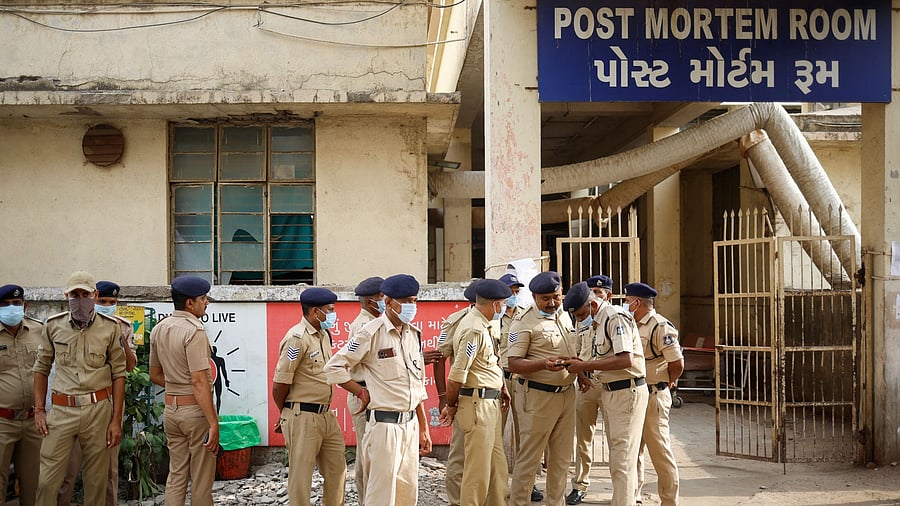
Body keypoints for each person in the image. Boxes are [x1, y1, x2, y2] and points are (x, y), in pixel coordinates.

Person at [324, 274, 432, 505]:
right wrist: (360, 391)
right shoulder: (370, 332)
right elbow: (333, 367)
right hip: (384, 427)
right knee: (381, 497)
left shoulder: (414, 335)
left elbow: (417, 385)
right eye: (405, 301)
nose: (411, 306)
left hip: (410, 425)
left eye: (414, 300)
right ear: (389, 302)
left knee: (406, 493)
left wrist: (423, 427)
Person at [32, 271, 127, 506]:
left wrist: (116, 420)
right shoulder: (53, 326)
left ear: (95, 295)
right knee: (47, 482)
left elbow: (119, 374)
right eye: (75, 294)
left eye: (85, 294)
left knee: (96, 483)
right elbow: (41, 368)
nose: (80, 298)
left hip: (98, 411)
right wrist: (39, 410)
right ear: (67, 296)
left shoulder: (110, 328)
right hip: (63, 410)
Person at [563, 281, 648, 506]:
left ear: (592, 304)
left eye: (581, 315)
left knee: (622, 460)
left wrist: (585, 366)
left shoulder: (614, 317)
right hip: (611, 391)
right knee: (618, 458)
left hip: (626, 392)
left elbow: (625, 359)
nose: (580, 320)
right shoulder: (597, 321)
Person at [507, 271, 583, 506]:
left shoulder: (565, 317)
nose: (552, 303)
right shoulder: (523, 322)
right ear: (534, 297)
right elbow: (513, 363)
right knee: (529, 460)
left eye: (556, 297)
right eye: (545, 298)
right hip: (537, 397)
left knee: (560, 460)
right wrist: (542, 364)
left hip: (567, 396)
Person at [58, 280, 138, 506]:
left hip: (108, 404)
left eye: (112, 302)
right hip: (76, 403)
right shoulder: (74, 324)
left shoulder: (123, 325)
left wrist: (117, 335)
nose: (107, 305)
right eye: (102, 301)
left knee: (109, 470)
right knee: (69, 470)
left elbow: (130, 366)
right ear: (93, 298)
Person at [439, 279, 511, 505]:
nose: (505, 309)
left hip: (490, 403)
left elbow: (493, 362)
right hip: (476, 404)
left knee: (497, 468)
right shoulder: (473, 329)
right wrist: (449, 405)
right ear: (495, 304)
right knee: (476, 472)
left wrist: (503, 387)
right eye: (504, 304)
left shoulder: (488, 324)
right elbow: (456, 376)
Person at [272, 287, 346, 506]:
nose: (333, 315)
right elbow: (280, 384)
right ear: (315, 312)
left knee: (337, 469)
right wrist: (285, 412)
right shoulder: (297, 339)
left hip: (325, 415)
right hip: (302, 416)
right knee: (301, 476)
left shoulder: (323, 335)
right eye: (330, 310)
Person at [148, 276, 219, 506]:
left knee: (176, 475)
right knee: (201, 477)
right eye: (203, 299)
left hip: (171, 410)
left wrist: (177, 391)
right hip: (195, 413)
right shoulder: (194, 331)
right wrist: (213, 423)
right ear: (190, 303)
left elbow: (155, 374)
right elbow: (199, 381)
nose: (206, 303)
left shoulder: (159, 329)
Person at [625, 283, 683, 506]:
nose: (626, 304)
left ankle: (669, 501)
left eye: (628, 300)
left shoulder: (660, 326)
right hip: (636, 394)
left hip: (653, 395)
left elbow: (677, 363)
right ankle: (634, 496)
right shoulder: (632, 323)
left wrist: (668, 381)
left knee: (660, 451)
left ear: (637, 302)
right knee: (634, 450)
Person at [566, 275, 614, 505]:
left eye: (600, 292)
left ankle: (625, 488)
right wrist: (581, 375)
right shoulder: (579, 320)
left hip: (611, 385)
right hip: (586, 384)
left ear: (608, 296)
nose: (595, 295)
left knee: (618, 439)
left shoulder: (615, 320)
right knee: (583, 438)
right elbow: (575, 352)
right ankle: (580, 484)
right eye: (592, 292)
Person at [496, 273, 543, 502]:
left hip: (522, 379)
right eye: (510, 291)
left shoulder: (526, 316)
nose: (513, 295)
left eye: (516, 291)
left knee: (527, 434)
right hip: (500, 379)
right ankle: (497, 483)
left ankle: (528, 483)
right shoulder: (494, 317)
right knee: (495, 433)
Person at [434, 279, 480, 506]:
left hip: (487, 398)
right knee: (460, 455)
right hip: (462, 396)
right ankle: (456, 500)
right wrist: (443, 397)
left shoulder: (494, 320)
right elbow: (439, 358)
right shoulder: (458, 322)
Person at [0, 284, 43, 506]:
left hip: (32, 420)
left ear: (24, 305)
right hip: (2, 421)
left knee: (33, 485)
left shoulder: (39, 331)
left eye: (16, 304)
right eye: (5, 305)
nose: (12, 309)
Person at [345, 276, 384, 503]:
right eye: (383, 299)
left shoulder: (373, 322)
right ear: (372, 302)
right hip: (365, 394)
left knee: (368, 452)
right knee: (368, 454)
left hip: (370, 393)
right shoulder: (364, 326)